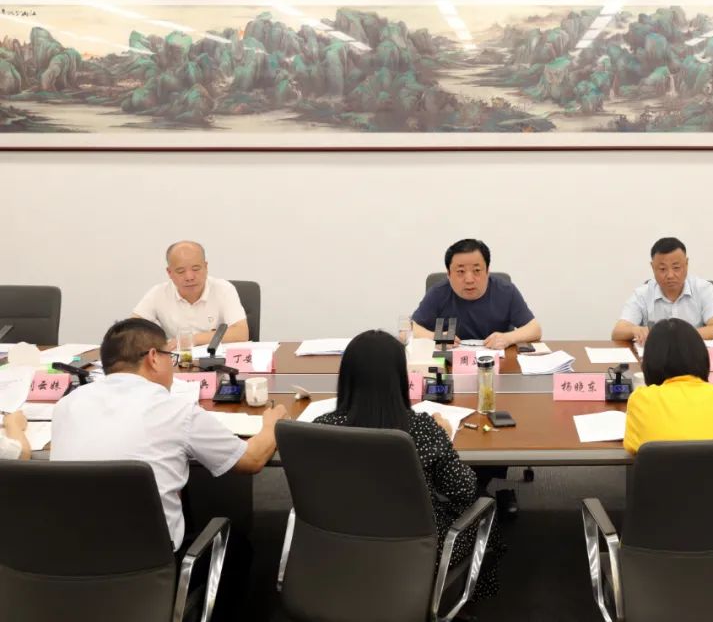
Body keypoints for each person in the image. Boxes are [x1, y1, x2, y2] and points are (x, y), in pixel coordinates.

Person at [50, 318, 286, 550]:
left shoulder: (66, 405)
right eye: (169, 357)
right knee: (239, 547)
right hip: (148, 559)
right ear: (153, 357)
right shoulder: (176, 410)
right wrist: (271, 425)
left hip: (66, 555)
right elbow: (251, 460)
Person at [313, 330, 501, 598]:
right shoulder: (422, 429)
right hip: (418, 555)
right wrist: (443, 437)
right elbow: (464, 489)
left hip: (338, 549)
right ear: (400, 379)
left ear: (346, 377)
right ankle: (473, 596)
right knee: (486, 508)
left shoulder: (321, 430)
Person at [623, 318, 713, 453]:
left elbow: (633, 447)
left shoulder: (641, 401)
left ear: (649, 363)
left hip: (666, 471)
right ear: (702, 356)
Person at [412, 239, 541, 350]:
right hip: (451, 364)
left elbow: (535, 329)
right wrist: (436, 337)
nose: (469, 280)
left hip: (498, 363)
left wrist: (508, 338)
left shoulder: (506, 291)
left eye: (477, 270)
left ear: (487, 271)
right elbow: (410, 329)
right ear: (449, 274)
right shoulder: (438, 293)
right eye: (460, 271)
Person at [133, 240, 249, 349]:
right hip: (177, 360)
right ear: (169, 272)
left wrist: (190, 340)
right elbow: (132, 330)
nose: (189, 277)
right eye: (181, 271)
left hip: (215, 359)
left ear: (206, 267)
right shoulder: (158, 293)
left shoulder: (223, 289)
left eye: (196, 269)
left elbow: (241, 333)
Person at [612, 237, 713, 345]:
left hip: (693, 354)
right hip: (656, 356)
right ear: (653, 267)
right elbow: (617, 332)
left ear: (686, 264)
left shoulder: (704, 289)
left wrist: (679, 336)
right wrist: (635, 330)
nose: (670, 275)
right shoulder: (642, 294)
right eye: (662, 269)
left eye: (676, 268)